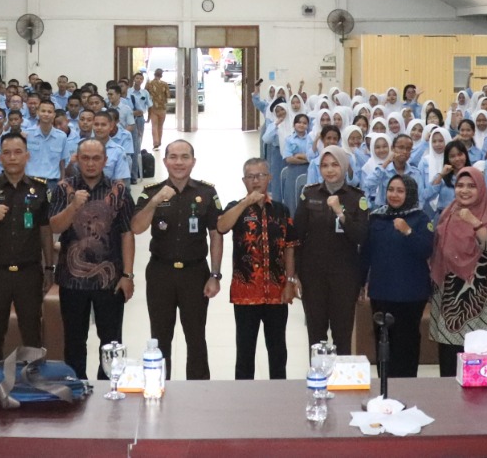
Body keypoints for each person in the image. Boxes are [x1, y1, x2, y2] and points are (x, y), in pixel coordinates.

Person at [131, 139, 221, 380]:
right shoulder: (151, 192)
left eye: (184, 157)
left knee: (196, 337)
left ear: (193, 161)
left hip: (195, 273)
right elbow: (137, 227)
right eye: (173, 157)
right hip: (161, 273)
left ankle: (198, 390)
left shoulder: (206, 192)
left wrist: (215, 275)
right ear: (165, 161)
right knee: (160, 337)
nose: (179, 162)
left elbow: (216, 235)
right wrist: (155, 202)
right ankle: (159, 387)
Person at [49, 139, 135, 380]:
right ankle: (77, 387)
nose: (90, 163)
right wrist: (73, 206)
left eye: (96, 158)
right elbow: (54, 226)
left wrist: (128, 275)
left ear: (105, 161)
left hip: (110, 280)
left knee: (111, 341)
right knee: (74, 341)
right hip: (71, 280)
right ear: (77, 159)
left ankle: (107, 387)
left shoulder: (119, 190)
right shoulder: (63, 188)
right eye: (85, 158)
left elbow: (127, 233)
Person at [0, 133, 54, 362]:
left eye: (17, 152)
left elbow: (46, 230)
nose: (12, 157)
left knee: (32, 333)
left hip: (29, 272)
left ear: (27, 156)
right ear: (0, 158)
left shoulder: (41, 188)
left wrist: (49, 267)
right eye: (7, 153)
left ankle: (33, 379)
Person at [217, 158, 297, 380]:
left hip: (277, 292)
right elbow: (221, 226)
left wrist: (290, 282)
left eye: (260, 175)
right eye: (250, 177)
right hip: (246, 294)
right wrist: (245, 203)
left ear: (269, 178)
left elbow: (290, 247)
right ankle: (245, 396)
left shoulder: (281, 210)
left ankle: (278, 393)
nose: (255, 181)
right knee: (245, 352)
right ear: (244, 180)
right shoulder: (235, 207)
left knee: (278, 351)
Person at [427, 166, 487, 377]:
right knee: (448, 359)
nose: (464, 190)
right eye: (460, 185)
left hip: (474, 297)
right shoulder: (448, 211)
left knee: (474, 357)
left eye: (471, 186)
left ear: (481, 189)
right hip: (447, 294)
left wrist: (474, 223)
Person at [292, 146, 368, 351]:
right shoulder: (309, 194)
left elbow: (361, 236)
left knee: (342, 334)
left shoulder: (357, 197)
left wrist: (340, 213)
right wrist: (295, 274)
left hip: (345, 276)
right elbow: (297, 236)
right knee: (316, 335)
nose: (330, 170)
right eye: (324, 165)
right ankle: (318, 372)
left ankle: (341, 373)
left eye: (335, 164)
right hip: (313, 275)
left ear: (344, 166)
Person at [362, 174, 434, 378]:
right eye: (391, 190)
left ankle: (406, 387)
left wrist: (408, 232)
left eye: (400, 191)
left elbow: (426, 250)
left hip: (410, 295)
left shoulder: (420, 218)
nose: (394, 195)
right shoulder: (377, 217)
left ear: (409, 193)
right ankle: (385, 386)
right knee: (383, 341)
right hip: (381, 292)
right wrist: (361, 282)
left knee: (406, 344)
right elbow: (366, 252)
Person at [146, 69, 171, 151]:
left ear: (154, 74)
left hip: (153, 107)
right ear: (161, 75)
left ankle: (155, 143)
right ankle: (159, 141)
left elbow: (146, 94)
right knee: (160, 126)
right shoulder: (165, 84)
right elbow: (168, 95)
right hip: (162, 108)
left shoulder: (149, 84)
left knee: (154, 126)